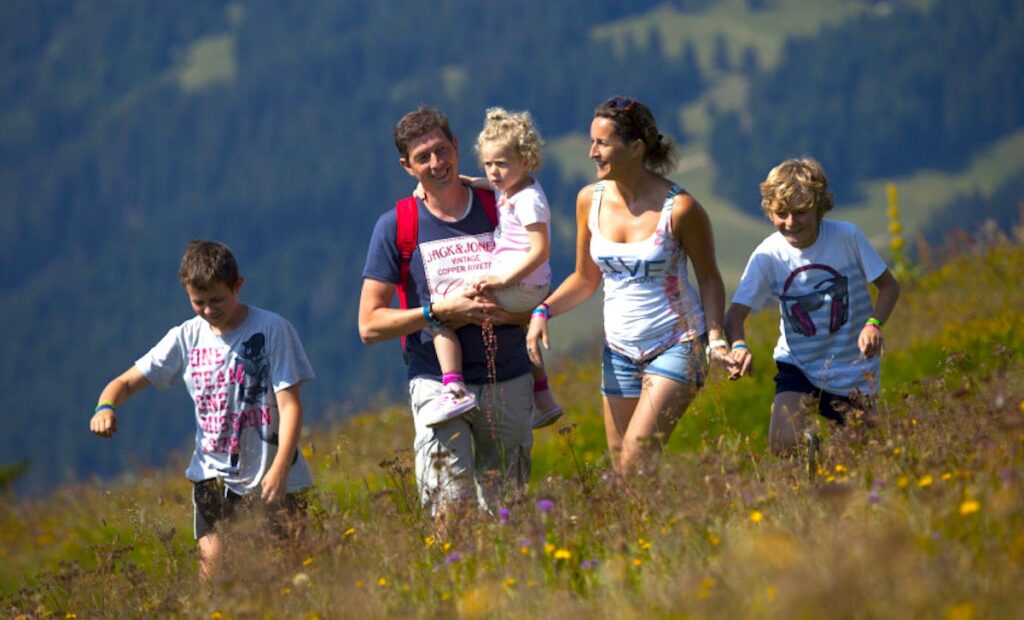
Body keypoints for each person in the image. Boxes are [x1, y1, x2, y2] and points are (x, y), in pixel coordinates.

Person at [527, 97, 732, 477]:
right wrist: (544, 310)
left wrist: (716, 338)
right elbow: (585, 278)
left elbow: (709, 277)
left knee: (636, 460)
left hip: (677, 343)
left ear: (636, 148)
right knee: (626, 475)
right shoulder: (590, 200)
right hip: (619, 351)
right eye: (592, 142)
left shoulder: (680, 208)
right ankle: (655, 536)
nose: (591, 153)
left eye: (602, 144)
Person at [89, 240, 316, 580]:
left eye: (217, 300)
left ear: (238, 285)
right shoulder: (185, 337)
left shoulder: (272, 330)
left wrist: (281, 467)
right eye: (198, 302)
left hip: (275, 474)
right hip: (212, 476)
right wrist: (105, 406)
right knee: (215, 575)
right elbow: (125, 382)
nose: (208, 310)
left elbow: (291, 406)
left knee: (290, 572)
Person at [358, 105, 534, 518]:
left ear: (457, 146)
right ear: (407, 166)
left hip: (508, 376)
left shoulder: (501, 207)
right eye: (423, 157)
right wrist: (439, 311)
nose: (436, 163)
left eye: (442, 150)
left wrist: (509, 316)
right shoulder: (396, 226)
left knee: (507, 512)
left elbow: (536, 283)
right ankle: (453, 580)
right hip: (436, 383)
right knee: (448, 513)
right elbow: (369, 325)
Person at [723, 158, 900, 455]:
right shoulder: (767, 255)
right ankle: (809, 475)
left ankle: (831, 476)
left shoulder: (847, 238)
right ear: (769, 212)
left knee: (868, 455)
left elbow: (889, 287)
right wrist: (739, 344)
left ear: (819, 206)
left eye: (801, 212)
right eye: (781, 213)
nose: (791, 222)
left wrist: (874, 324)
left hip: (853, 368)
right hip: (799, 364)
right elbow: (735, 314)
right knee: (783, 444)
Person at [424, 107, 562, 429]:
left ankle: (453, 386)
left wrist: (502, 279)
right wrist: (467, 181)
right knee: (516, 329)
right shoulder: (514, 188)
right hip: (527, 286)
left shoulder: (528, 200)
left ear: (526, 160)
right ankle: (543, 398)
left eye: (502, 164)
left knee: (441, 313)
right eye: (488, 164)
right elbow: (490, 186)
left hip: (521, 285)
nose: (495, 172)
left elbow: (540, 251)